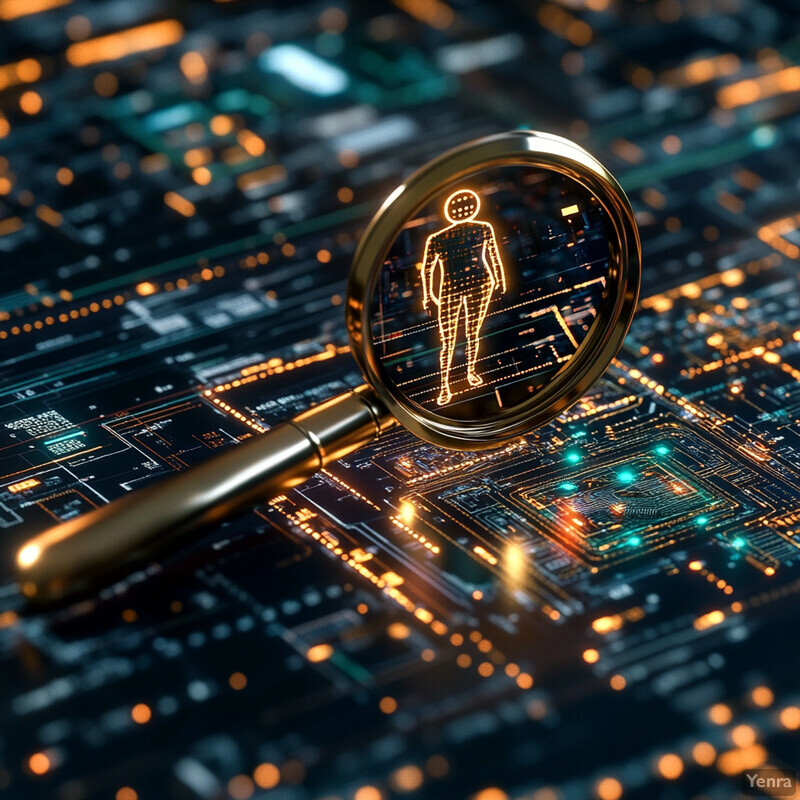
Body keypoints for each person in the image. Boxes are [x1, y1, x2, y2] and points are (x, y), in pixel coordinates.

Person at [420, 189, 507, 406]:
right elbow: (427, 270)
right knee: (449, 339)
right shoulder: (438, 238)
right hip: (455, 288)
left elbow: (494, 255)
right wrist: (428, 296)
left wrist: (499, 281)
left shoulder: (482, 229)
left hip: (478, 284)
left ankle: (469, 373)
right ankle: (445, 385)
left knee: (471, 333)